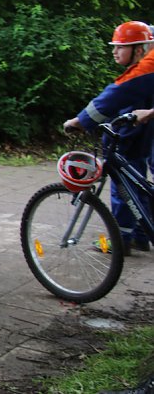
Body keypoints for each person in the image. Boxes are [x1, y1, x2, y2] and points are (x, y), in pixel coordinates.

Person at [64, 20, 154, 254]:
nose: (114, 51)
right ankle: (140, 235)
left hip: (133, 140)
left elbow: (115, 95)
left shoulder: (146, 67)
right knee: (139, 183)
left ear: (139, 49)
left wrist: (80, 121)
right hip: (142, 140)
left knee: (123, 187)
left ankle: (122, 239)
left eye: (120, 46)